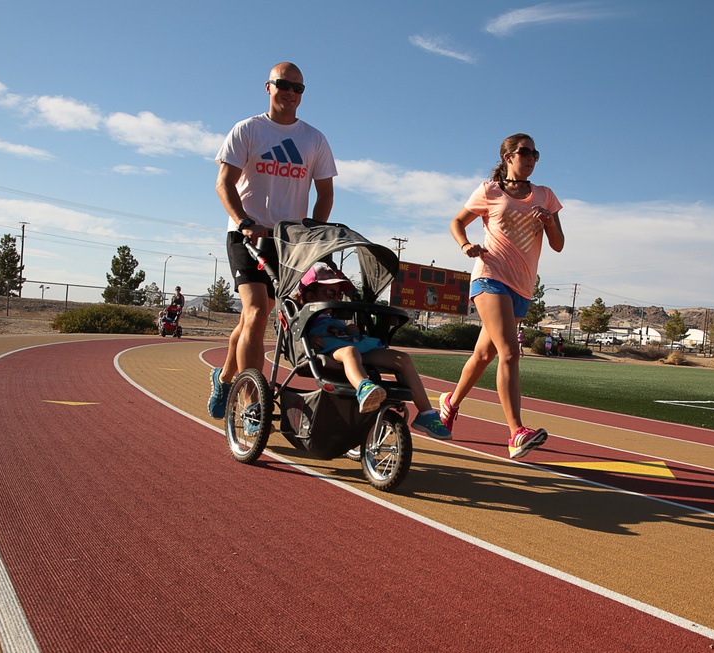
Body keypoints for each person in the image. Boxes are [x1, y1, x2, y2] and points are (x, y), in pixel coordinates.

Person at [207, 61, 337, 419]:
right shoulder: (248, 130)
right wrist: (244, 221)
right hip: (247, 235)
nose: (291, 93)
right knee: (255, 312)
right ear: (268, 87)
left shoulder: (314, 139)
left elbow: (325, 193)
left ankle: (226, 376)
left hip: (288, 242)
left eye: (298, 88)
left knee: (255, 317)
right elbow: (223, 184)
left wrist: (312, 233)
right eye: (284, 85)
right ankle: (251, 403)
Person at [439, 133, 564, 459]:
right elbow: (457, 222)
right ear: (508, 157)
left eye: (536, 153)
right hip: (490, 277)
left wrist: (549, 223)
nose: (532, 157)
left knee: (484, 355)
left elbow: (558, 245)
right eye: (525, 152)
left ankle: (450, 403)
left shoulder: (546, 196)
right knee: (510, 352)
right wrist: (465, 245)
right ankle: (516, 432)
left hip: (522, 287)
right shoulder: (489, 191)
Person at [298, 263, 451, 439]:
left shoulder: (337, 316)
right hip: (330, 350)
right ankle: (364, 387)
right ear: (310, 296)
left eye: (339, 294)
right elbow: (299, 335)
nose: (338, 298)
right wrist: (310, 339)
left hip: (354, 346)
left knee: (403, 358)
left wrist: (351, 330)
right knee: (350, 352)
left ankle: (426, 414)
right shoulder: (307, 316)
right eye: (332, 293)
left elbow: (344, 331)